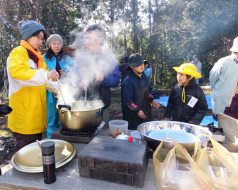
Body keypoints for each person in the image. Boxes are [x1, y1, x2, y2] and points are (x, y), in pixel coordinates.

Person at [7, 20, 59, 150]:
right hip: (24, 118)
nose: (40, 41)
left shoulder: (37, 58)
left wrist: (61, 89)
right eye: (38, 37)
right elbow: (18, 73)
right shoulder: (18, 53)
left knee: (35, 155)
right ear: (28, 36)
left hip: (36, 118)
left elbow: (47, 78)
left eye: (42, 38)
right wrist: (46, 75)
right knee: (25, 157)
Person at [77, 24, 120, 126]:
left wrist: (104, 78)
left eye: (88, 37)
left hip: (102, 106)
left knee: (102, 135)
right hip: (83, 105)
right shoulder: (81, 57)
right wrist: (80, 81)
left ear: (99, 38)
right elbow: (73, 76)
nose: (85, 40)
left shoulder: (109, 58)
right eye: (85, 37)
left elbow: (116, 80)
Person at [43, 34, 72, 138]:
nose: (57, 46)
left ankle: (62, 136)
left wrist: (66, 74)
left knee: (63, 113)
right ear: (50, 45)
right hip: (49, 91)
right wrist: (50, 75)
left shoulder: (67, 58)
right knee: (51, 114)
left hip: (64, 91)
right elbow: (40, 72)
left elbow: (73, 71)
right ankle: (50, 136)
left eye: (59, 43)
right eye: (54, 43)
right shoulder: (44, 59)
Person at [121, 53, 160, 130]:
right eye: (138, 65)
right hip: (133, 116)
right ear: (132, 67)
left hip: (146, 112)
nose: (142, 66)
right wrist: (137, 110)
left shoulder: (144, 76)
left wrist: (152, 100)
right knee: (136, 136)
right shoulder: (127, 81)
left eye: (142, 63)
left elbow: (148, 91)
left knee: (148, 133)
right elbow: (128, 101)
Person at [209, 37, 238, 119]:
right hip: (222, 99)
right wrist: (217, 91)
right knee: (222, 121)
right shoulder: (223, 61)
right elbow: (212, 78)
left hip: (234, 99)